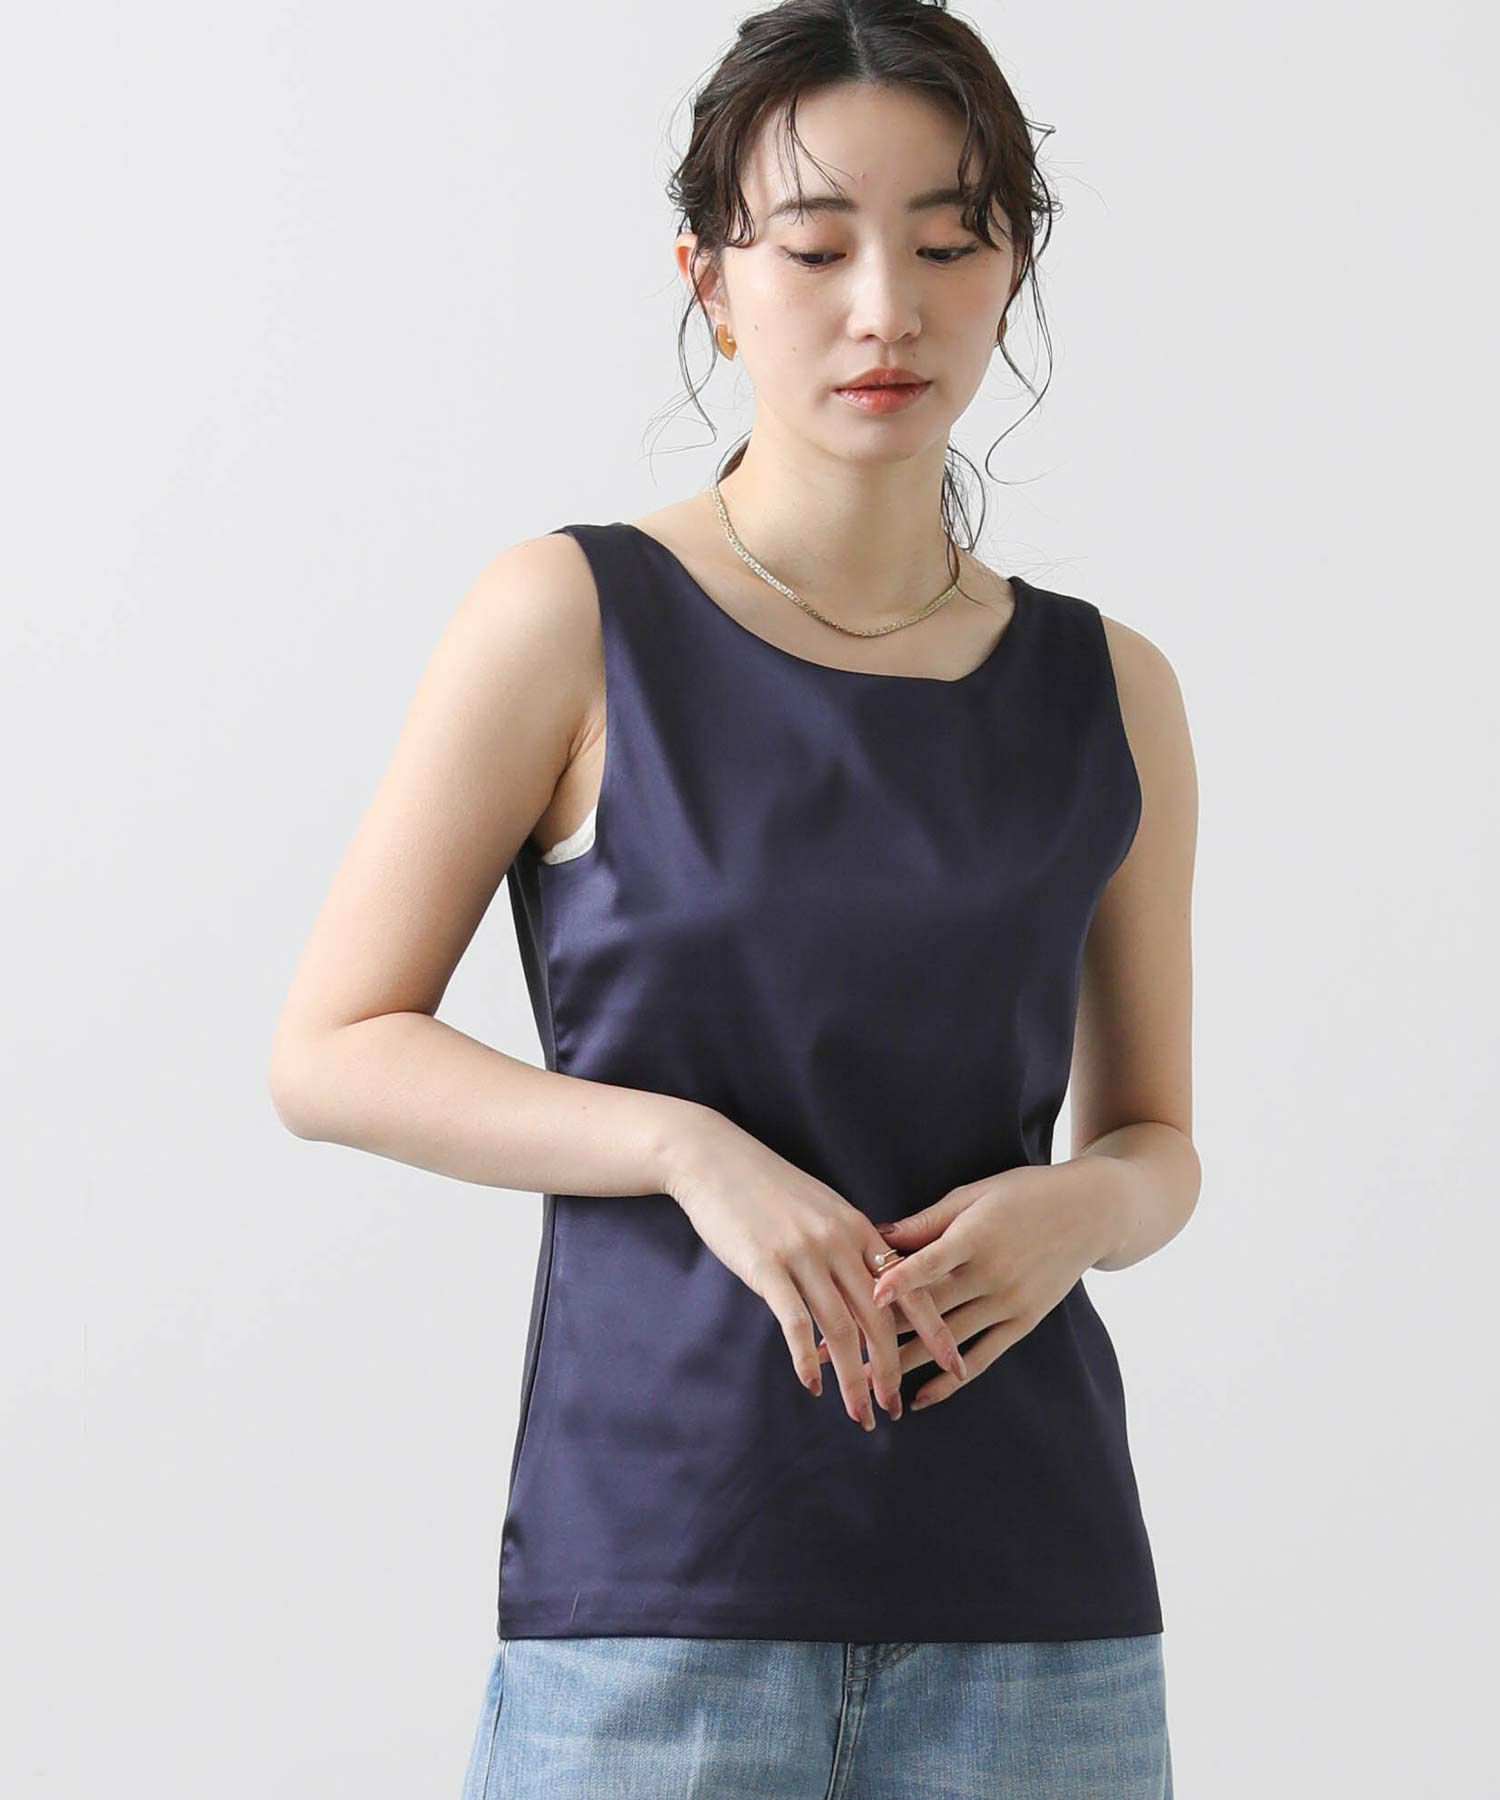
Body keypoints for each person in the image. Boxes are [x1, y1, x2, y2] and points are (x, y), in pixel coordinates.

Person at [268, 2, 1200, 1794]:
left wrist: (1081, 1210)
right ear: (708, 277)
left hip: (1044, 1608)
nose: (887, 309)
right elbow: (331, 1048)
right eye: (817, 246)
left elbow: (1158, 1140)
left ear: (1012, 266)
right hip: (657, 1588)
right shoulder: (569, 619)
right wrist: (686, 1147)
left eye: (950, 243)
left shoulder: (1111, 687)